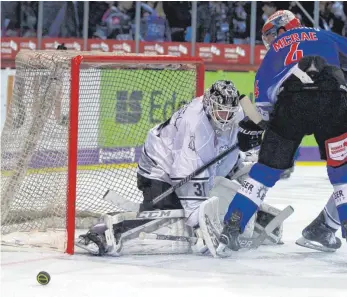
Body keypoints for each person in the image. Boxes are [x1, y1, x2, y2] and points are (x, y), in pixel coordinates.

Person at [76, 81, 284, 256]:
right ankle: (105, 232)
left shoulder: (232, 113)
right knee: (169, 215)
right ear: (210, 105)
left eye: (230, 113)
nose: (226, 118)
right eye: (221, 112)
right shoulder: (194, 125)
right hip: (160, 170)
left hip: (196, 166)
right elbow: (184, 172)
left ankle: (253, 217)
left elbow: (235, 142)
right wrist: (199, 224)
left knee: (212, 201)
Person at [216, 10, 347, 257]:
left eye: (270, 35)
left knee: (263, 172)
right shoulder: (323, 35)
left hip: (290, 103)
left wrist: (259, 131)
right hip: (333, 101)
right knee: (342, 173)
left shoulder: (272, 55)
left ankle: (230, 227)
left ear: (282, 30)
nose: (269, 41)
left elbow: (263, 108)